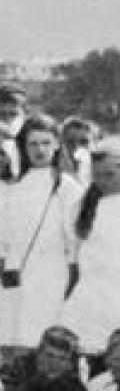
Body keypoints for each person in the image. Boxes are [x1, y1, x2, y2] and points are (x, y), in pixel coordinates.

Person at [0, 115, 82, 358]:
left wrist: (72, 269)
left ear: (56, 145)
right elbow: (0, 230)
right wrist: (2, 259)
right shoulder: (10, 185)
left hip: (51, 270)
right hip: (15, 269)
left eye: (45, 143)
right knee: (13, 334)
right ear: (23, 148)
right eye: (33, 144)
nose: (40, 150)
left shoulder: (66, 186)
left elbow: (73, 236)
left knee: (44, 334)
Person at [60, 137, 120, 365]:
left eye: (110, 175)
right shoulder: (83, 206)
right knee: (88, 353)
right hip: (91, 292)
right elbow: (74, 253)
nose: (102, 182)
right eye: (97, 176)